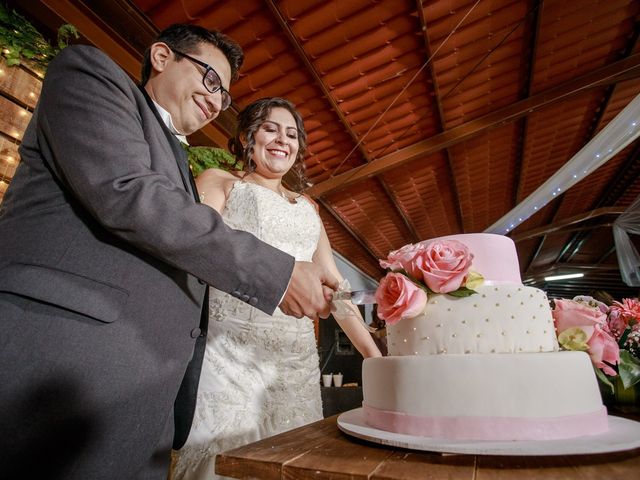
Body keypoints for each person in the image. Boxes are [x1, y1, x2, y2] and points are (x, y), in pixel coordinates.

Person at [0, 24, 338, 480]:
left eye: (224, 96)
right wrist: (276, 274)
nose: (217, 101)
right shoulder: (91, 74)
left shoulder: (182, 159)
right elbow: (132, 195)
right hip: (66, 362)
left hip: (151, 394)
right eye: (211, 80)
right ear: (162, 57)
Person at [170, 97, 382, 480]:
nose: (282, 139)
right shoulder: (219, 182)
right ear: (247, 138)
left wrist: (375, 356)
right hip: (226, 356)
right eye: (270, 128)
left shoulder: (309, 208)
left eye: (291, 134)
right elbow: (193, 248)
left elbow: (336, 291)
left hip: (294, 363)